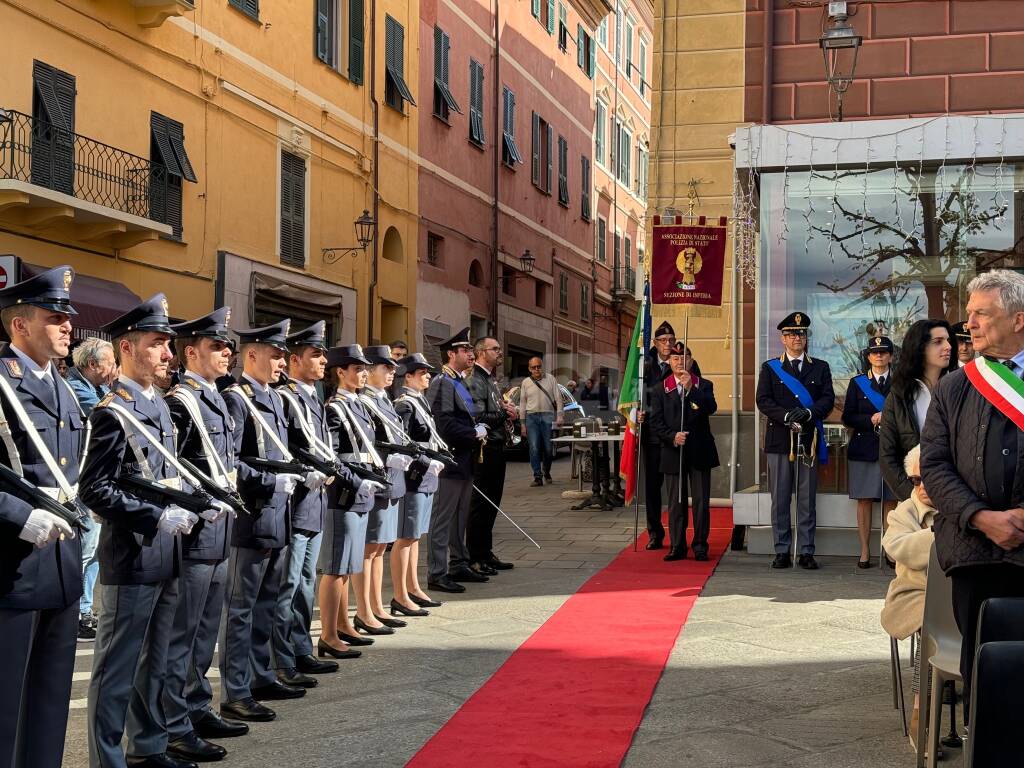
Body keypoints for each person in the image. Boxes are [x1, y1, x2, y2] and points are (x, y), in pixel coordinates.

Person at [82, 293, 208, 768]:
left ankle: (149, 747)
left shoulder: (158, 407)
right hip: (132, 556)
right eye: (158, 344)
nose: (168, 354)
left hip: (167, 553)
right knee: (116, 670)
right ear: (128, 348)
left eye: (168, 345)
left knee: (154, 663)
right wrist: (154, 516)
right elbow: (94, 489)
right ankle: (106, 760)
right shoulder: (114, 412)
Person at [921, 269, 1024, 718]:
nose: (970, 324)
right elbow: (935, 466)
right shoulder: (952, 388)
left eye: (982, 313)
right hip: (974, 553)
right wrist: (982, 517)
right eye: (970, 314)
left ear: (1019, 319)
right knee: (984, 675)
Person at [0, 266, 85, 768]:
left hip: (63, 565)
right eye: (55, 318)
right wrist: (16, 514)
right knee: (6, 709)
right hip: (13, 565)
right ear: (20, 326)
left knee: (51, 706)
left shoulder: (67, 389)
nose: (67, 327)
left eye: (67, 318)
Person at [161, 307, 247, 763]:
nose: (227, 352)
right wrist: (201, 500)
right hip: (196, 531)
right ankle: (175, 723)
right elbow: (175, 466)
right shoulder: (181, 401)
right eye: (217, 346)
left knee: (206, 628)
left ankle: (196, 705)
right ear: (190, 352)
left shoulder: (216, 396)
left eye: (227, 346)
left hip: (220, 528)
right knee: (184, 633)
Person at [219, 320, 312, 723]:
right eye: (274, 355)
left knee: (267, 602)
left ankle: (259, 674)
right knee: (241, 608)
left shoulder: (273, 398)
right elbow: (231, 464)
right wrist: (272, 480)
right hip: (252, 516)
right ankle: (235, 689)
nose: (280, 363)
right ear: (250, 355)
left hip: (279, 515)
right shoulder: (237, 399)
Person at [272, 321, 342, 688]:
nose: (323, 361)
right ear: (294, 360)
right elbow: (290, 448)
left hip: (315, 501)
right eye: (315, 355)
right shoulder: (286, 398)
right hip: (297, 500)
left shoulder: (314, 397)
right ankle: (282, 659)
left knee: (305, 584)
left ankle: (300, 649)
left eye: (323, 355)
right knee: (289, 584)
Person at [317, 344, 383, 657]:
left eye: (364, 368)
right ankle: (328, 634)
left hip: (360, 493)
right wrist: (359, 480)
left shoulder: (357, 404)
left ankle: (343, 625)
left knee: (348, 564)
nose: (363, 373)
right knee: (335, 567)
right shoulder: (335, 407)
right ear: (340, 372)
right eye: (357, 369)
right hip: (343, 493)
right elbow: (332, 457)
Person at [755, 311, 835, 570]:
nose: (797, 338)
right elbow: (763, 401)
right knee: (780, 497)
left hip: (808, 439)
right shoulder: (770, 368)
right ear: (783, 338)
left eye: (801, 333)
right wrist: (788, 415)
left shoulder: (820, 367)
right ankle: (781, 549)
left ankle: (806, 550)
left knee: (806, 497)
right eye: (792, 334)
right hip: (780, 440)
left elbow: (828, 399)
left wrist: (810, 412)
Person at [354, 346, 414, 635]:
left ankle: (377, 606)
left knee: (379, 548)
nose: (391, 373)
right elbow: (367, 442)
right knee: (369, 550)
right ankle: (364, 611)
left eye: (393, 369)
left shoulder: (384, 400)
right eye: (385, 368)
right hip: (378, 480)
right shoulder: (365, 402)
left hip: (393, 481)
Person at [879, 444, 935, 749]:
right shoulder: (905, 510)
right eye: (915, 480)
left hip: (957, 591)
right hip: (914, 593)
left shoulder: (962, 504)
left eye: (928, 476)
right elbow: (897, 547)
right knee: (933, 621)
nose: (922, 485)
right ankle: (919, 709)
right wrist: (949, 535)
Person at [427, 327, 487, 593]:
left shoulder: (459, 381)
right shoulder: (442, 382)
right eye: (465, 350)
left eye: (471, 350)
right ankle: (437, 573)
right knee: (442, 519)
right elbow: (444, 425)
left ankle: (458, 563)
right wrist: (474, 433)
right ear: (451, 354)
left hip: (466, 458)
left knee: (459, 516)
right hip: (451, 458)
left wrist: (478, 428)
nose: (471, 354)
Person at [67, 336, 117, 640]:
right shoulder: (79, 390)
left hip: (95, 478)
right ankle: (73, 611)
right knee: (85, 551)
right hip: (82, 482)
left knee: (95, 551)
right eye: (110, 361)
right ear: (92, 364)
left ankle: (84, 609)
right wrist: (117, 386)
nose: (114, 367)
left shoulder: (97, 387)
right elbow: (110, 412)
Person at [650, 342, 719, 562]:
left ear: (691, 360)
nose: (680, 362)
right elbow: (655, 422)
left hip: (700, 450)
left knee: (700, 501)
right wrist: (672, 436)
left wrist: (691, 390)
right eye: (676, 358)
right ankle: (677, 545)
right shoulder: (661, 389)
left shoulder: (704, 385)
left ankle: (700, 545)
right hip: (674, 451)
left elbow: (711, 408)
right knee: (675, 502)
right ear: (669, 362)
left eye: (684, 357)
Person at [393, 353, 446, 614]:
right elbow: (402, 444)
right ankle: (401, 594)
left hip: (427, 474)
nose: (428, 376)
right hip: (414, 475)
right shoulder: (404, 404)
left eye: (428, 373)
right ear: (409, 376)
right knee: (406, 536)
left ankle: (413, 587)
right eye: (423, 373)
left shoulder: (420, 401)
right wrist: (424, 462)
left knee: (415, 537)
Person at [879, 320, 954, 504]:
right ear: (920, 348)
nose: (948, 347)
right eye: (938, 342)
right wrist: (912, 495)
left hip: (954, 498)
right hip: (915, 500)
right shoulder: (899, 396)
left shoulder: (960, 390)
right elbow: (887, 455)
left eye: (948, 340)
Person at [842, 335, 897, 568]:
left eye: (883, 352)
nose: (879, 356)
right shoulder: (857, 383)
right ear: (868, 357)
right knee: (864, 501)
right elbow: (848, 417)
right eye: (874, 353)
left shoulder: (901, 382)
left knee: (891, 503)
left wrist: (889, 416)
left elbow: (908, 415)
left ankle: (889, 550)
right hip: (864, 448)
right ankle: (865, 550)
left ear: (891, 356)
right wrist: (870, 419)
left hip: (893, 449)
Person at [465, 337, 516, 575]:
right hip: (484, 450)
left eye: (499, 348)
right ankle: (475, 556)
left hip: (496, 447)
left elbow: (495, 410)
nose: (500, 352)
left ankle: (486, 552)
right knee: (481, 505)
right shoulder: (475, 379)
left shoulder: (489, 379)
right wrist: (504, 414)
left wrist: (508, 411)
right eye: (495, 349)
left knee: (492, 504)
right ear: (481, 352)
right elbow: (479, 417)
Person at [639, 321, 676, 549]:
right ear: (655, 342)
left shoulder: (682, 359)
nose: (668, 344)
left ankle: (678, 534)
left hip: (673, 434)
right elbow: (634, 393)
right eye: (663, 340)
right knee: (653, 487)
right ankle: (655, 532)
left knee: (675, 487)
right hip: (652, 433)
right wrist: (636, 413)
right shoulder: (645, 364)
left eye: (671, 340)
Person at [518, 355, 563, 487]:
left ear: (542, 367)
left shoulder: (551, 379)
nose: (537, 369)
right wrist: (522, 424)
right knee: (534, 447)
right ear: (529, 369)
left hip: (547, 416)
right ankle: (537, 476)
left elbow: (558, 398)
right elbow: (522, 403)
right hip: (531, 417)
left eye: (539, 366)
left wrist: (560, 415)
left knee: (548, 448)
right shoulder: (525, 382)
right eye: (534, 367)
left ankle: (546, 471)